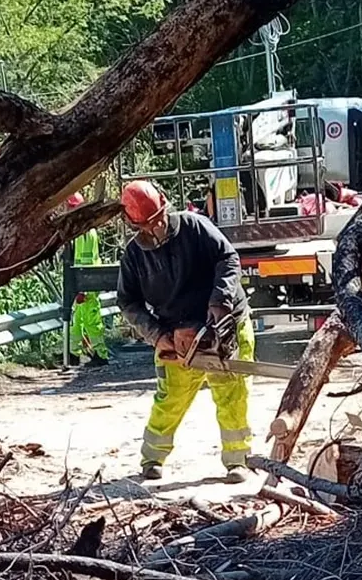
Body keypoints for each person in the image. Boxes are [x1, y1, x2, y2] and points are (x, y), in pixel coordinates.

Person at [116, 180, 254, 484]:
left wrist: (220, 301)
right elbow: (127, 301)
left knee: (232, 395)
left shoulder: (196, 227)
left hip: (221, 326)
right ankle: (152, 458)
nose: (156, 228)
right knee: (170, 398)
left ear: (165, 204)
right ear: (133, 223)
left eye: (158, 219)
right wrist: (157, 335)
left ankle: (238, 460)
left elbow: (228, 259)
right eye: (147, 225)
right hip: (173, 334)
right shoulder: (134, 256)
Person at [67, 192, 109, 368]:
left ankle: (100, 355)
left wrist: (83, 289)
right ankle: (72, 354)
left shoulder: (84, 233)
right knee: (77, 322)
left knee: (91, 322)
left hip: (86, 285)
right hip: (82, 283)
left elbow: (85, 260)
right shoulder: (81, 231)